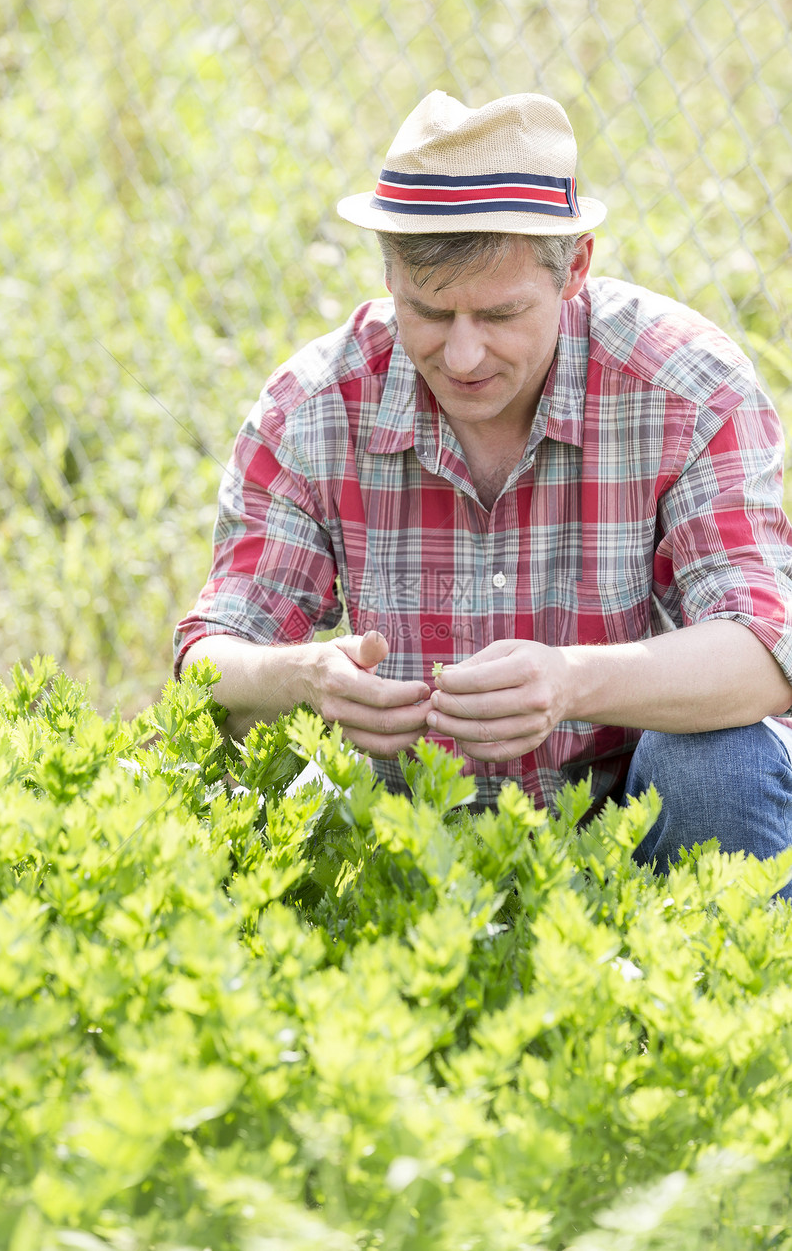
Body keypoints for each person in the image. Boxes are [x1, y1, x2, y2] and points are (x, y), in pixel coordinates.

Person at [174, 90, 792, 888]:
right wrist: (302, 678)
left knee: (722, 765)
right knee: (237, 784)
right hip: (404, 833)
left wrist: (572, 680)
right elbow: (207, 666)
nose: (463, 355)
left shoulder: (684, 388)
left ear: (575, 267)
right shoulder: (315, 409)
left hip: (630, 820)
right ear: (388, 274)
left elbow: (768, 651)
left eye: (500, 313)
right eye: (428, 311)